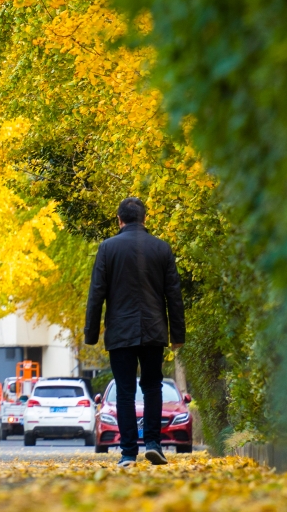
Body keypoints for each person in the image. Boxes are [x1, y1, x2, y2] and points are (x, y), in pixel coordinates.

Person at [84, 196, 186, 467]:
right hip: (153, 330)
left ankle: (128, 453)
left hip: (120, 332)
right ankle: (154, 444)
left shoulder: (107, 248)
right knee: (153, 388)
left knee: (125, 392)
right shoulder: (161, 249)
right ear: (145, 219)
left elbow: (97, 293)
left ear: (119, 220)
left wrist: (91, 333)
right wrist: (178, 335)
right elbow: (173, 295)